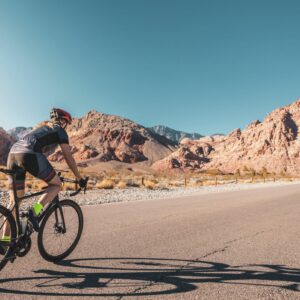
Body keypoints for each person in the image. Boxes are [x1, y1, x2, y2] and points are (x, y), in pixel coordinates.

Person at [2, 108, 87, 241]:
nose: (67, 126)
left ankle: (5, 241)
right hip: (29, 154)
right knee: (56, 184)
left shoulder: (41, 129)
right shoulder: (60, 130)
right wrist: (79, 178)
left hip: (12, 155)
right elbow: (68, 156)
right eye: (67, 123)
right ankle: (34, 211)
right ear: (63, 121)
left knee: (14, 202)